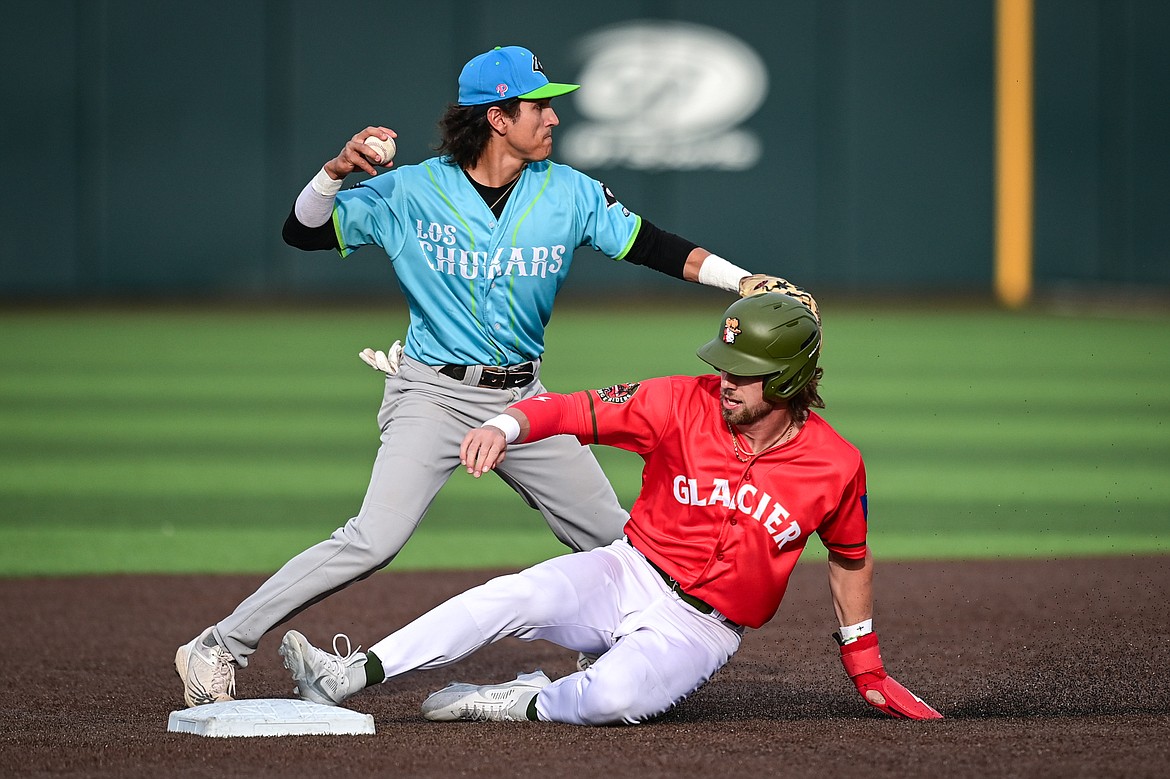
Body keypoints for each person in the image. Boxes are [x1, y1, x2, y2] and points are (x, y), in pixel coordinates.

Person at [174, 44, 816, 708]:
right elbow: (302, 233)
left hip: (522, 398)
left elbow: (652, 244)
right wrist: (333, 173)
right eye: (540, 106)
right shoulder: (412, 191)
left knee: (617, 539)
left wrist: (740, 279)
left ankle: (619, 656)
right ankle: (218, 645)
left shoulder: (566, 191)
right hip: (432, 391)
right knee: (374, 537)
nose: (553, 119)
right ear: (497, 118)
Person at [276, 293, 943, 725]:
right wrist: (505, 426)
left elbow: (851, 560)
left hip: (702, 629)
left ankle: (521, 698)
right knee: (508, 596)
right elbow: (569, 407)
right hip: (627, 570)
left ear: (792, 377)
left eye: (744, 371)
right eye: (725, 364)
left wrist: (868, 669)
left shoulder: (836, 464)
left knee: (612, 698)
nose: (726, 380)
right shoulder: (680, 401)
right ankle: (350, 671)